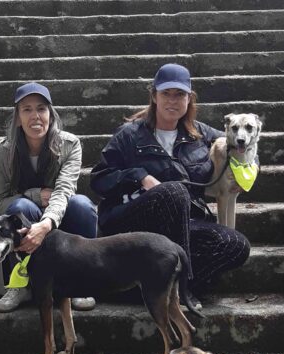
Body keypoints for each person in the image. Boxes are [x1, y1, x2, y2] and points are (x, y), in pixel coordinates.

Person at [90, 64, 250, 308]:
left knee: (236, 244)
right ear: (154, 96)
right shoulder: (129, 135)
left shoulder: (200, 134)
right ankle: (182, 288)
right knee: (173, 190)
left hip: (184, 226)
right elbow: (99, 179)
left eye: (180, 95)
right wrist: (139, 176)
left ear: (189, 99)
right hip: (135, 222)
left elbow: (242, 143)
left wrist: (247, 170)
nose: (172, 101)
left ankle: (149, 288)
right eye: (166, 94)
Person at [0, 82, 98, 313]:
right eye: (26, 109)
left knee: (82, 205)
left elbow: (64, 190)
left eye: (41, 108)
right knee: (19, 206)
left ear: (51, 113)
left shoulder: (70, 145)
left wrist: (46, 224)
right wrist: (35, 196)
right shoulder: (3, 152)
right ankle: (18, 284)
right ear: (18, 117)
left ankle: (82, 282)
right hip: (26, 218)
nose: (35, 116)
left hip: (60, 216)